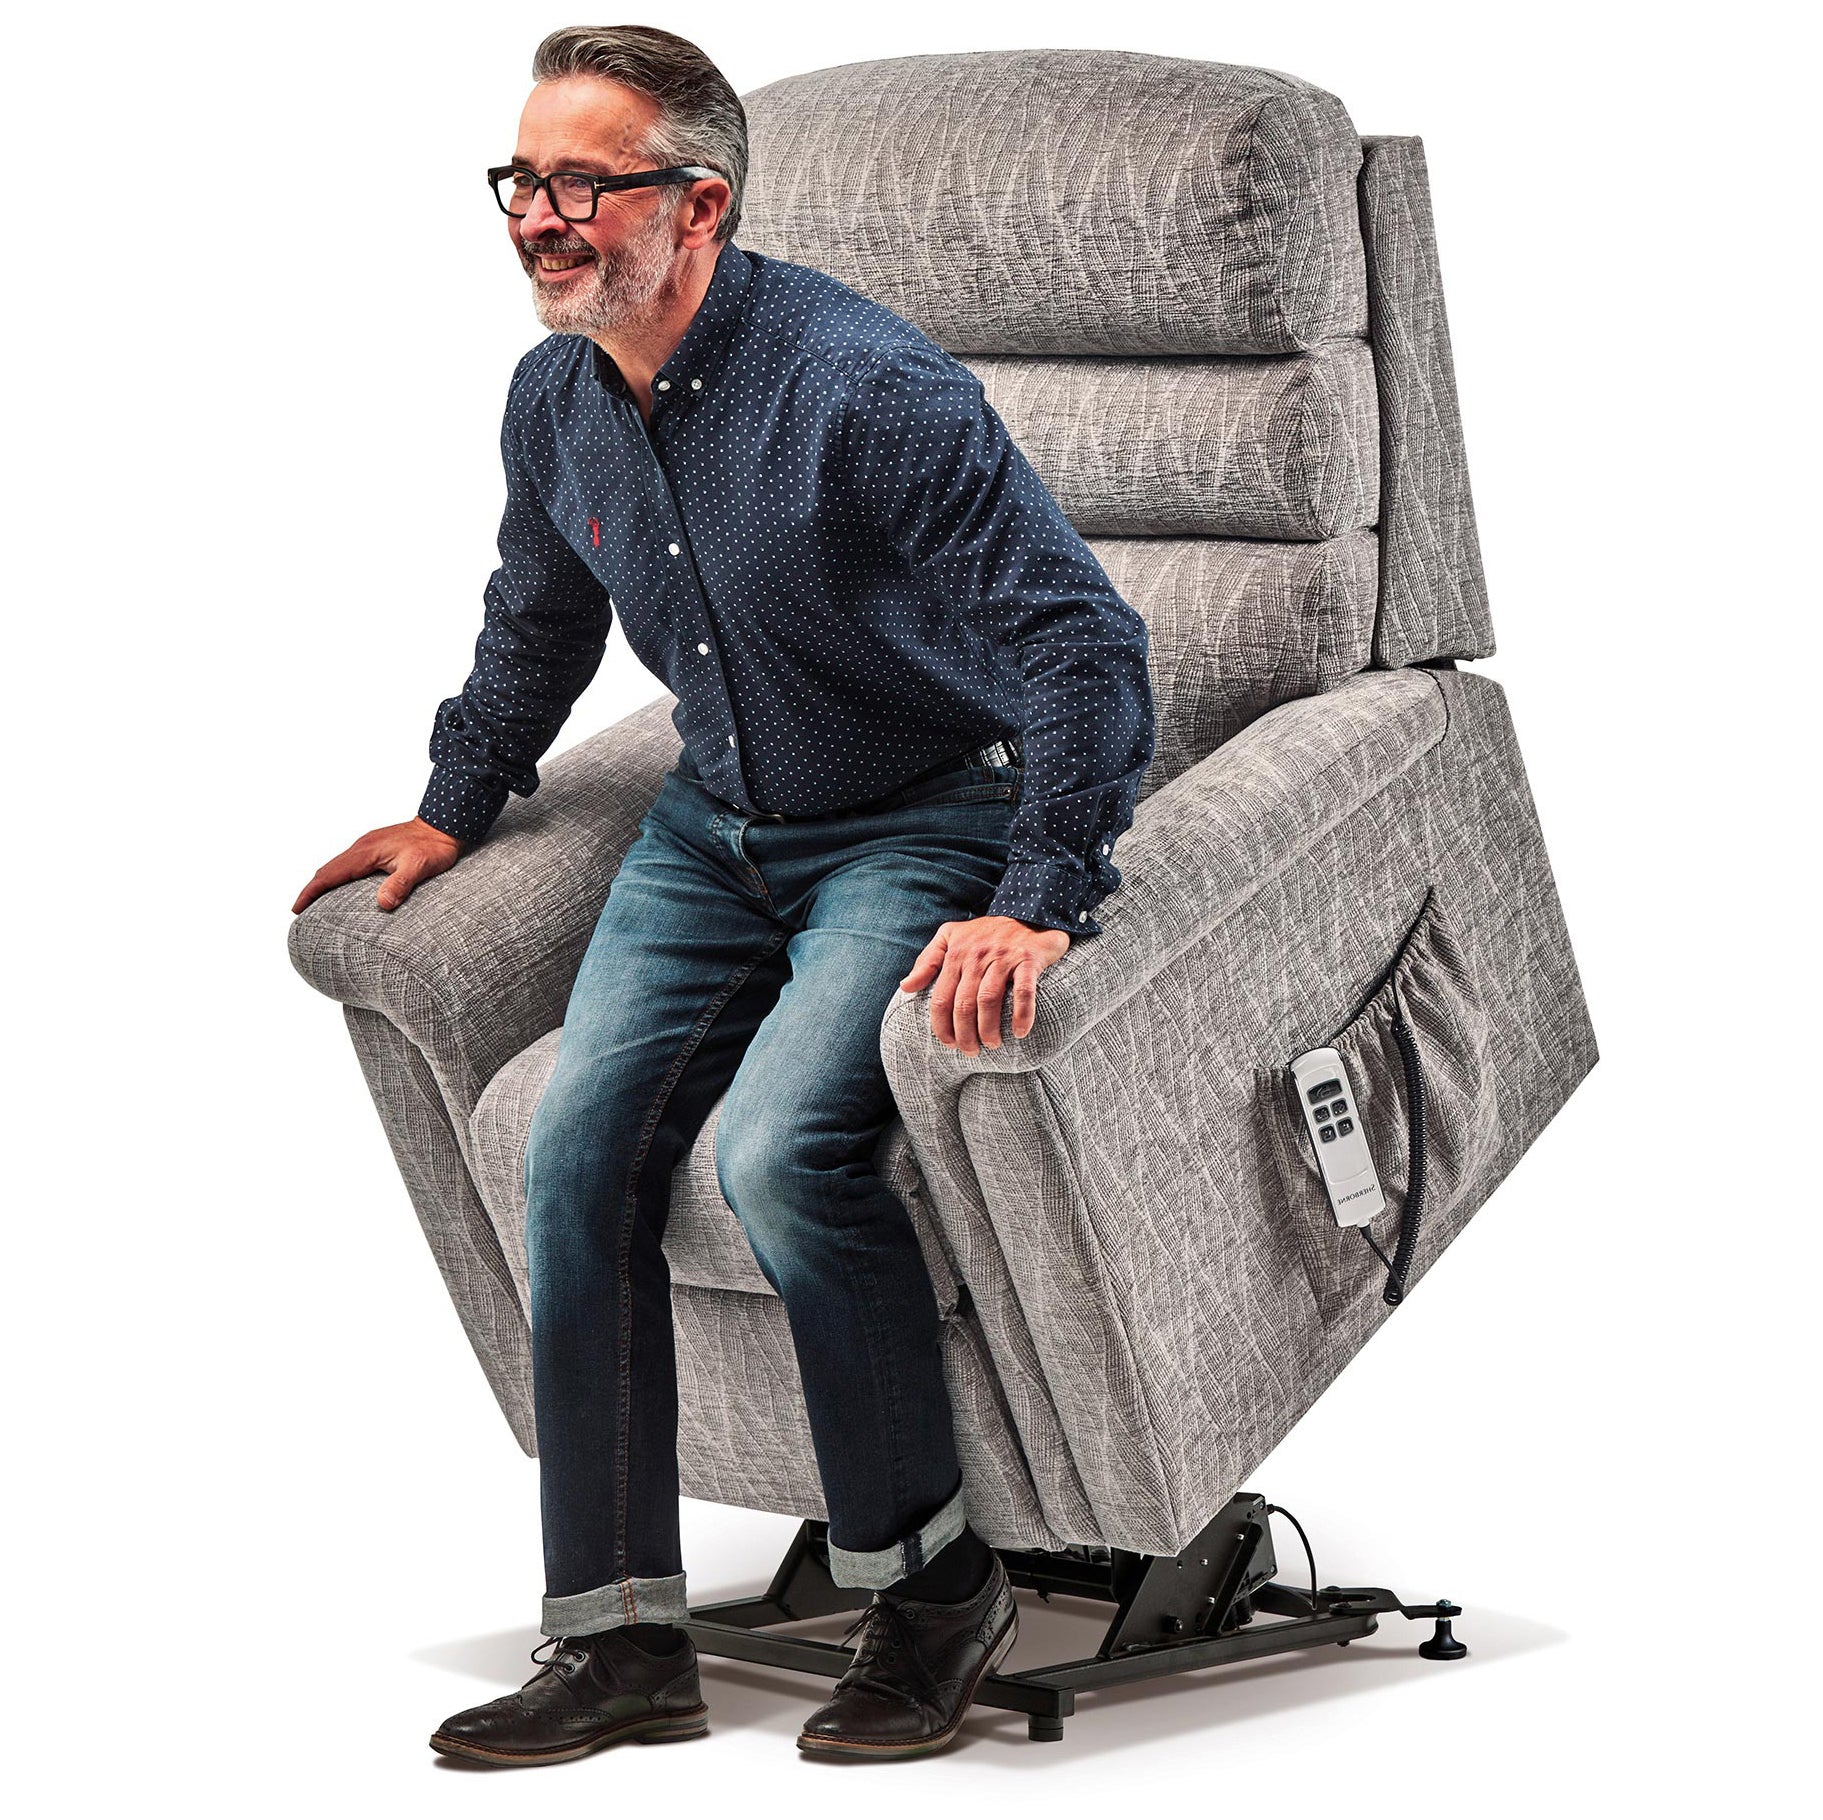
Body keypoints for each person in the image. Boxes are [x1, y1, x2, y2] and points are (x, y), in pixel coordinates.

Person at [291, 23, 1155, 1765]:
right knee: (572, 1152)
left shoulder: (866, 389)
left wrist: (1042, 891)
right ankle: (618, 1644)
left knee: (779, 1156)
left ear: (700, 205)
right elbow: (537, 618)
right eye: (523, 178)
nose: (541, 215)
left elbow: (1085, 647)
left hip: (914, 825)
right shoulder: (555, 396)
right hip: (714, 830)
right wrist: (453, 804)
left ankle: (929, 1593)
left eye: (584, 183)